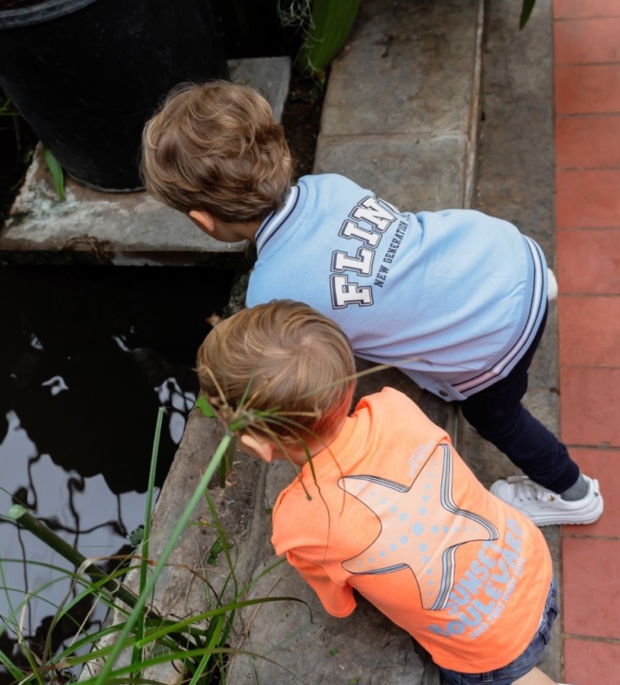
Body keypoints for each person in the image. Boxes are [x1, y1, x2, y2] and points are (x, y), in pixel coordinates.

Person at [141, 80, 603, 527]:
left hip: (497, 339)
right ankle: (537, 290)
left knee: (496, 418)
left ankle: (573, 494)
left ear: (202, 221)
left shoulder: (271, 297)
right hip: (508, 254)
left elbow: (316, 364)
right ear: (277, 150)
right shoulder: (328, 186)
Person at [195, 300, 598, 685]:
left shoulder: (297, 522)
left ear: (257, 445)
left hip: (491, 642)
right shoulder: (393, 406)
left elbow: (340, 602)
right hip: (528, 554)